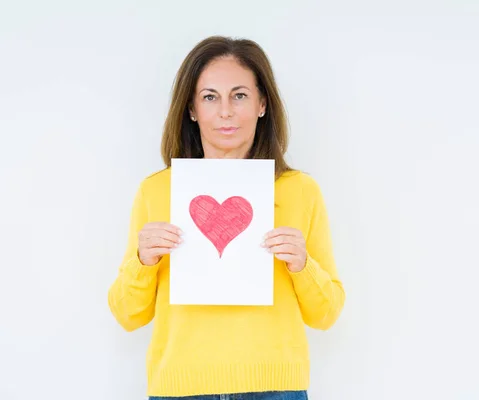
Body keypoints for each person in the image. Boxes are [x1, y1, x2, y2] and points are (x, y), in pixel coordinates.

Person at [107, 35, 345, 400]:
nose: (225, 112)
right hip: (179, 389)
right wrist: (143, 261)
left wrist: (302, 265)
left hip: (273, 389)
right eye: (209, 97)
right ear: (191, 109)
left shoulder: (300, 190)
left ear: (262, 104)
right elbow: (128, 316)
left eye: (240, 95)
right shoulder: (156, 191)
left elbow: (326, 315)